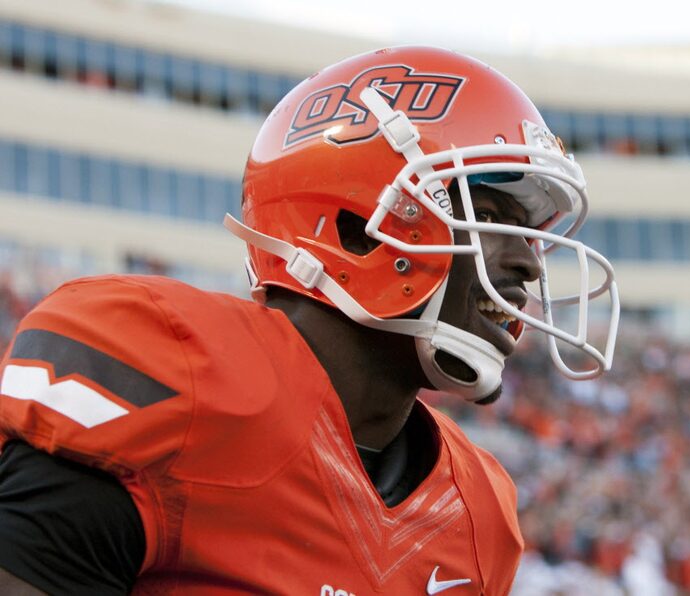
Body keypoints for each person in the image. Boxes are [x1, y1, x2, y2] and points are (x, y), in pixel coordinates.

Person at [0, 46, 618, 594]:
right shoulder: (174, 369)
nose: (527, 264)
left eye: (530, 235)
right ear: (352, 227)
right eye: (487, 215)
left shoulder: (481, 514)